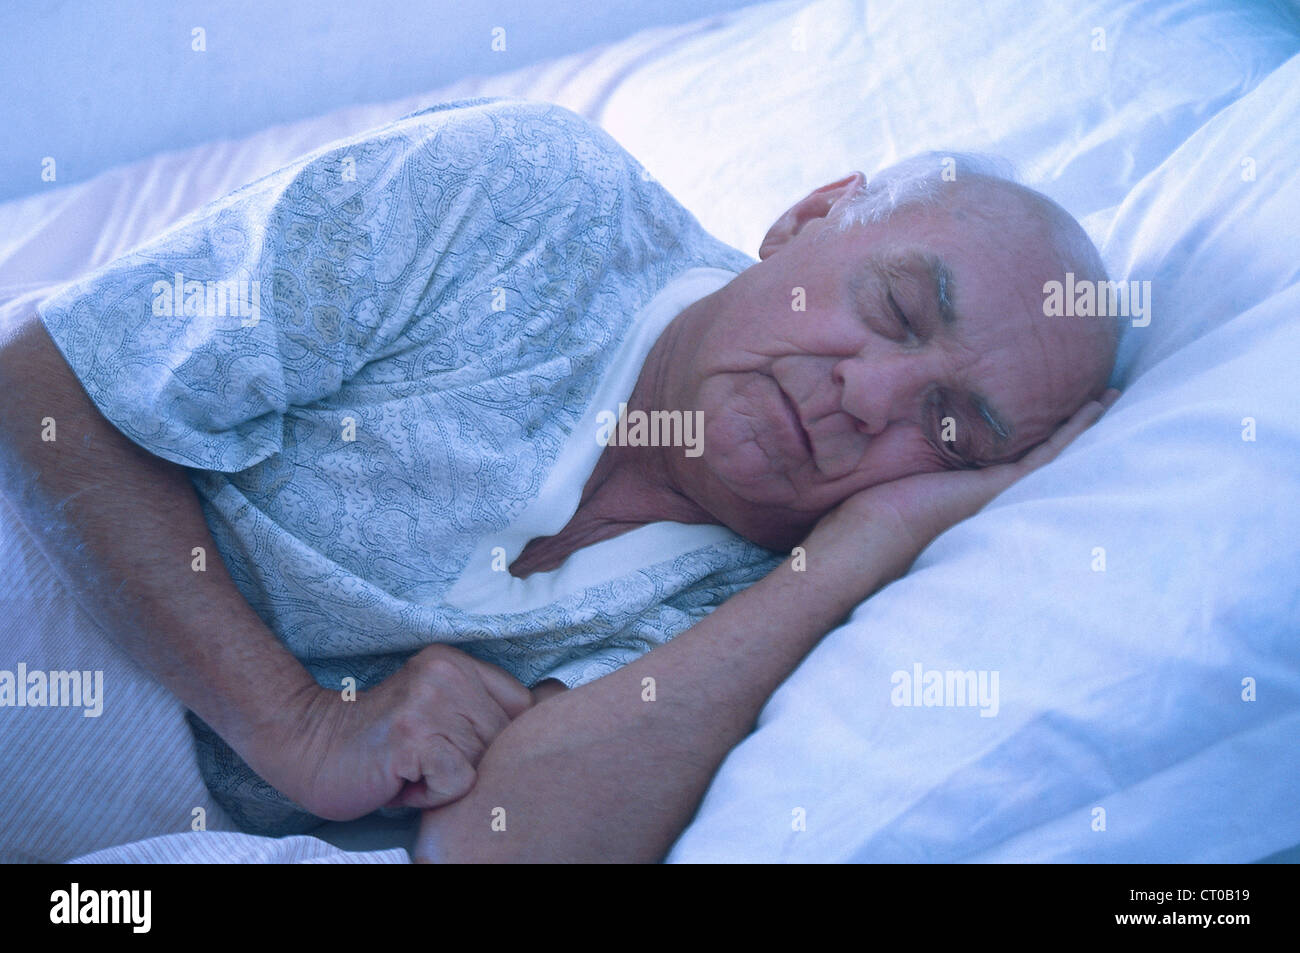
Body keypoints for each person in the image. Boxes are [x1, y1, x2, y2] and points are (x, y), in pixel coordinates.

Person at [0, 97, 1118, 859]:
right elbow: (42, 380)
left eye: (951, 427)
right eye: (894, 308)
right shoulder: (529, 199)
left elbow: (501, 848)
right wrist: (299, 725)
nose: (869, 397)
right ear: (807, 217)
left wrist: (844, 565)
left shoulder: (764, 609)